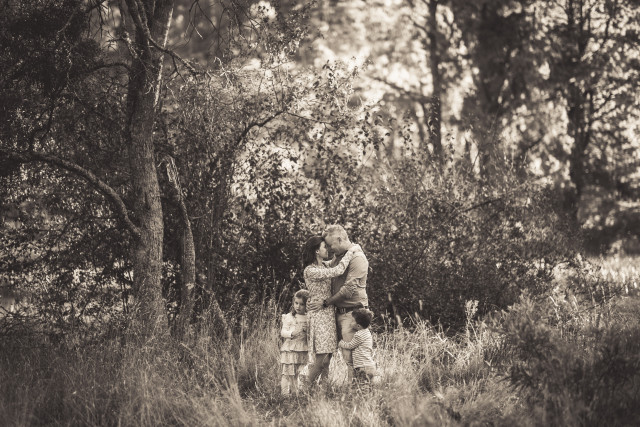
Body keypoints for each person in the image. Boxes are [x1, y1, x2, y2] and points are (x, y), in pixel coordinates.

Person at [308, 224, 369, 379]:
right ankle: (321, 389)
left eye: (330, 245)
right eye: (326, 246)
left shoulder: (357, 258)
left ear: (340, 239)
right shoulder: (338, 256)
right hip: (336, 313)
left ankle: (355, 390)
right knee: (325, 357)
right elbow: (324, 271)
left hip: (352, 314)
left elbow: (348, 290)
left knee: (352, 358)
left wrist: (325, 302)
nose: (329, 249)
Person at [302, 236, 360, 386]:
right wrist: (352, 250)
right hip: (318, 315)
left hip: (327, 313)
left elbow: (335, 261)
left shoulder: (324, 266)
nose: (327, 249)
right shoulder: (311, 270)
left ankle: (324, 390)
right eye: (324, 247)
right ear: (317, 251)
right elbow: (339, 270)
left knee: (327, 359)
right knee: (320, 360)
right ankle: (305, 388)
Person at [280, 289, 310, 396]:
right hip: (291, 348)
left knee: (299, 373)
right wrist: (292, 333)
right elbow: (283, 332)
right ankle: (284, 394)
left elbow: (311, 335)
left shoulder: (308, 317)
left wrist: (307, 331)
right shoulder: (290, 316)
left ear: (307, 305)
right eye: (296, 303)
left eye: (302, 304)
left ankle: (295, 393)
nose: (298, 306)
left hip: (303, 348)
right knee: (287, 373)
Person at [338, 308, 377, 384]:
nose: (350, 322)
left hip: (363, 366)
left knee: (362, 386)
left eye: (352, 321)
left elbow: (350, 345)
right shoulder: (367, 332)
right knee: (369, 386)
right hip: (369, 365)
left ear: (358, 326)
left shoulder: (358, 335)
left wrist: (341, 343)